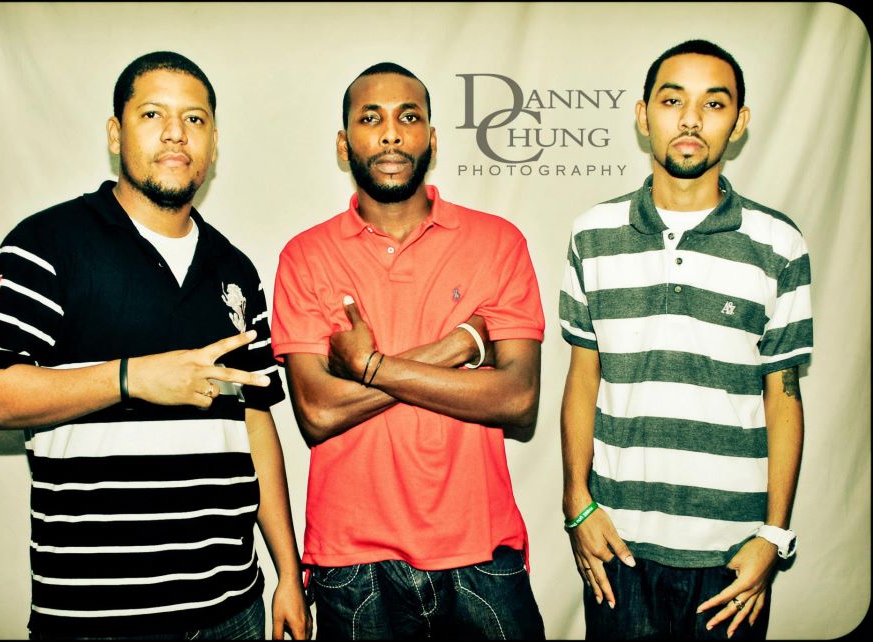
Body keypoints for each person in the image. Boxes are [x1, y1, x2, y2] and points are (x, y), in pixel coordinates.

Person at [0, 51, 311, 640]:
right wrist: (130, 378)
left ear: (213, 143)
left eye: (194, 119)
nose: (176, 133)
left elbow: (256, 423)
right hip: (100, 617)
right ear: (116, 134)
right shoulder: (48, 243)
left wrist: (288, 574)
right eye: (152, 114)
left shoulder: (235, 269)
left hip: (234, 608)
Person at [270, 62, 546, 640]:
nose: (391, 133)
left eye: (409, 117)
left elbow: (518, 400)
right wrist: (456, 348)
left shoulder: (498, 242)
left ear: (432, 140)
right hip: (352, 563)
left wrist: (370, 367)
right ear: (344, 144)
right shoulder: (305, 256)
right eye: (371, 119)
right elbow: (317, 411)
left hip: (480, 549)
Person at [558, 40, 812, 640]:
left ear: (739, 122)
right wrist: (576, 503)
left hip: (732, 555)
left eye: (713, 104)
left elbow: (784, 396)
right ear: (643, 115)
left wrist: (773, 536)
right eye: (673, 101)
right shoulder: (592, 234)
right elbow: (582, 378)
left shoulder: (779, 243)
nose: (691, 119)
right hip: (618, 547)